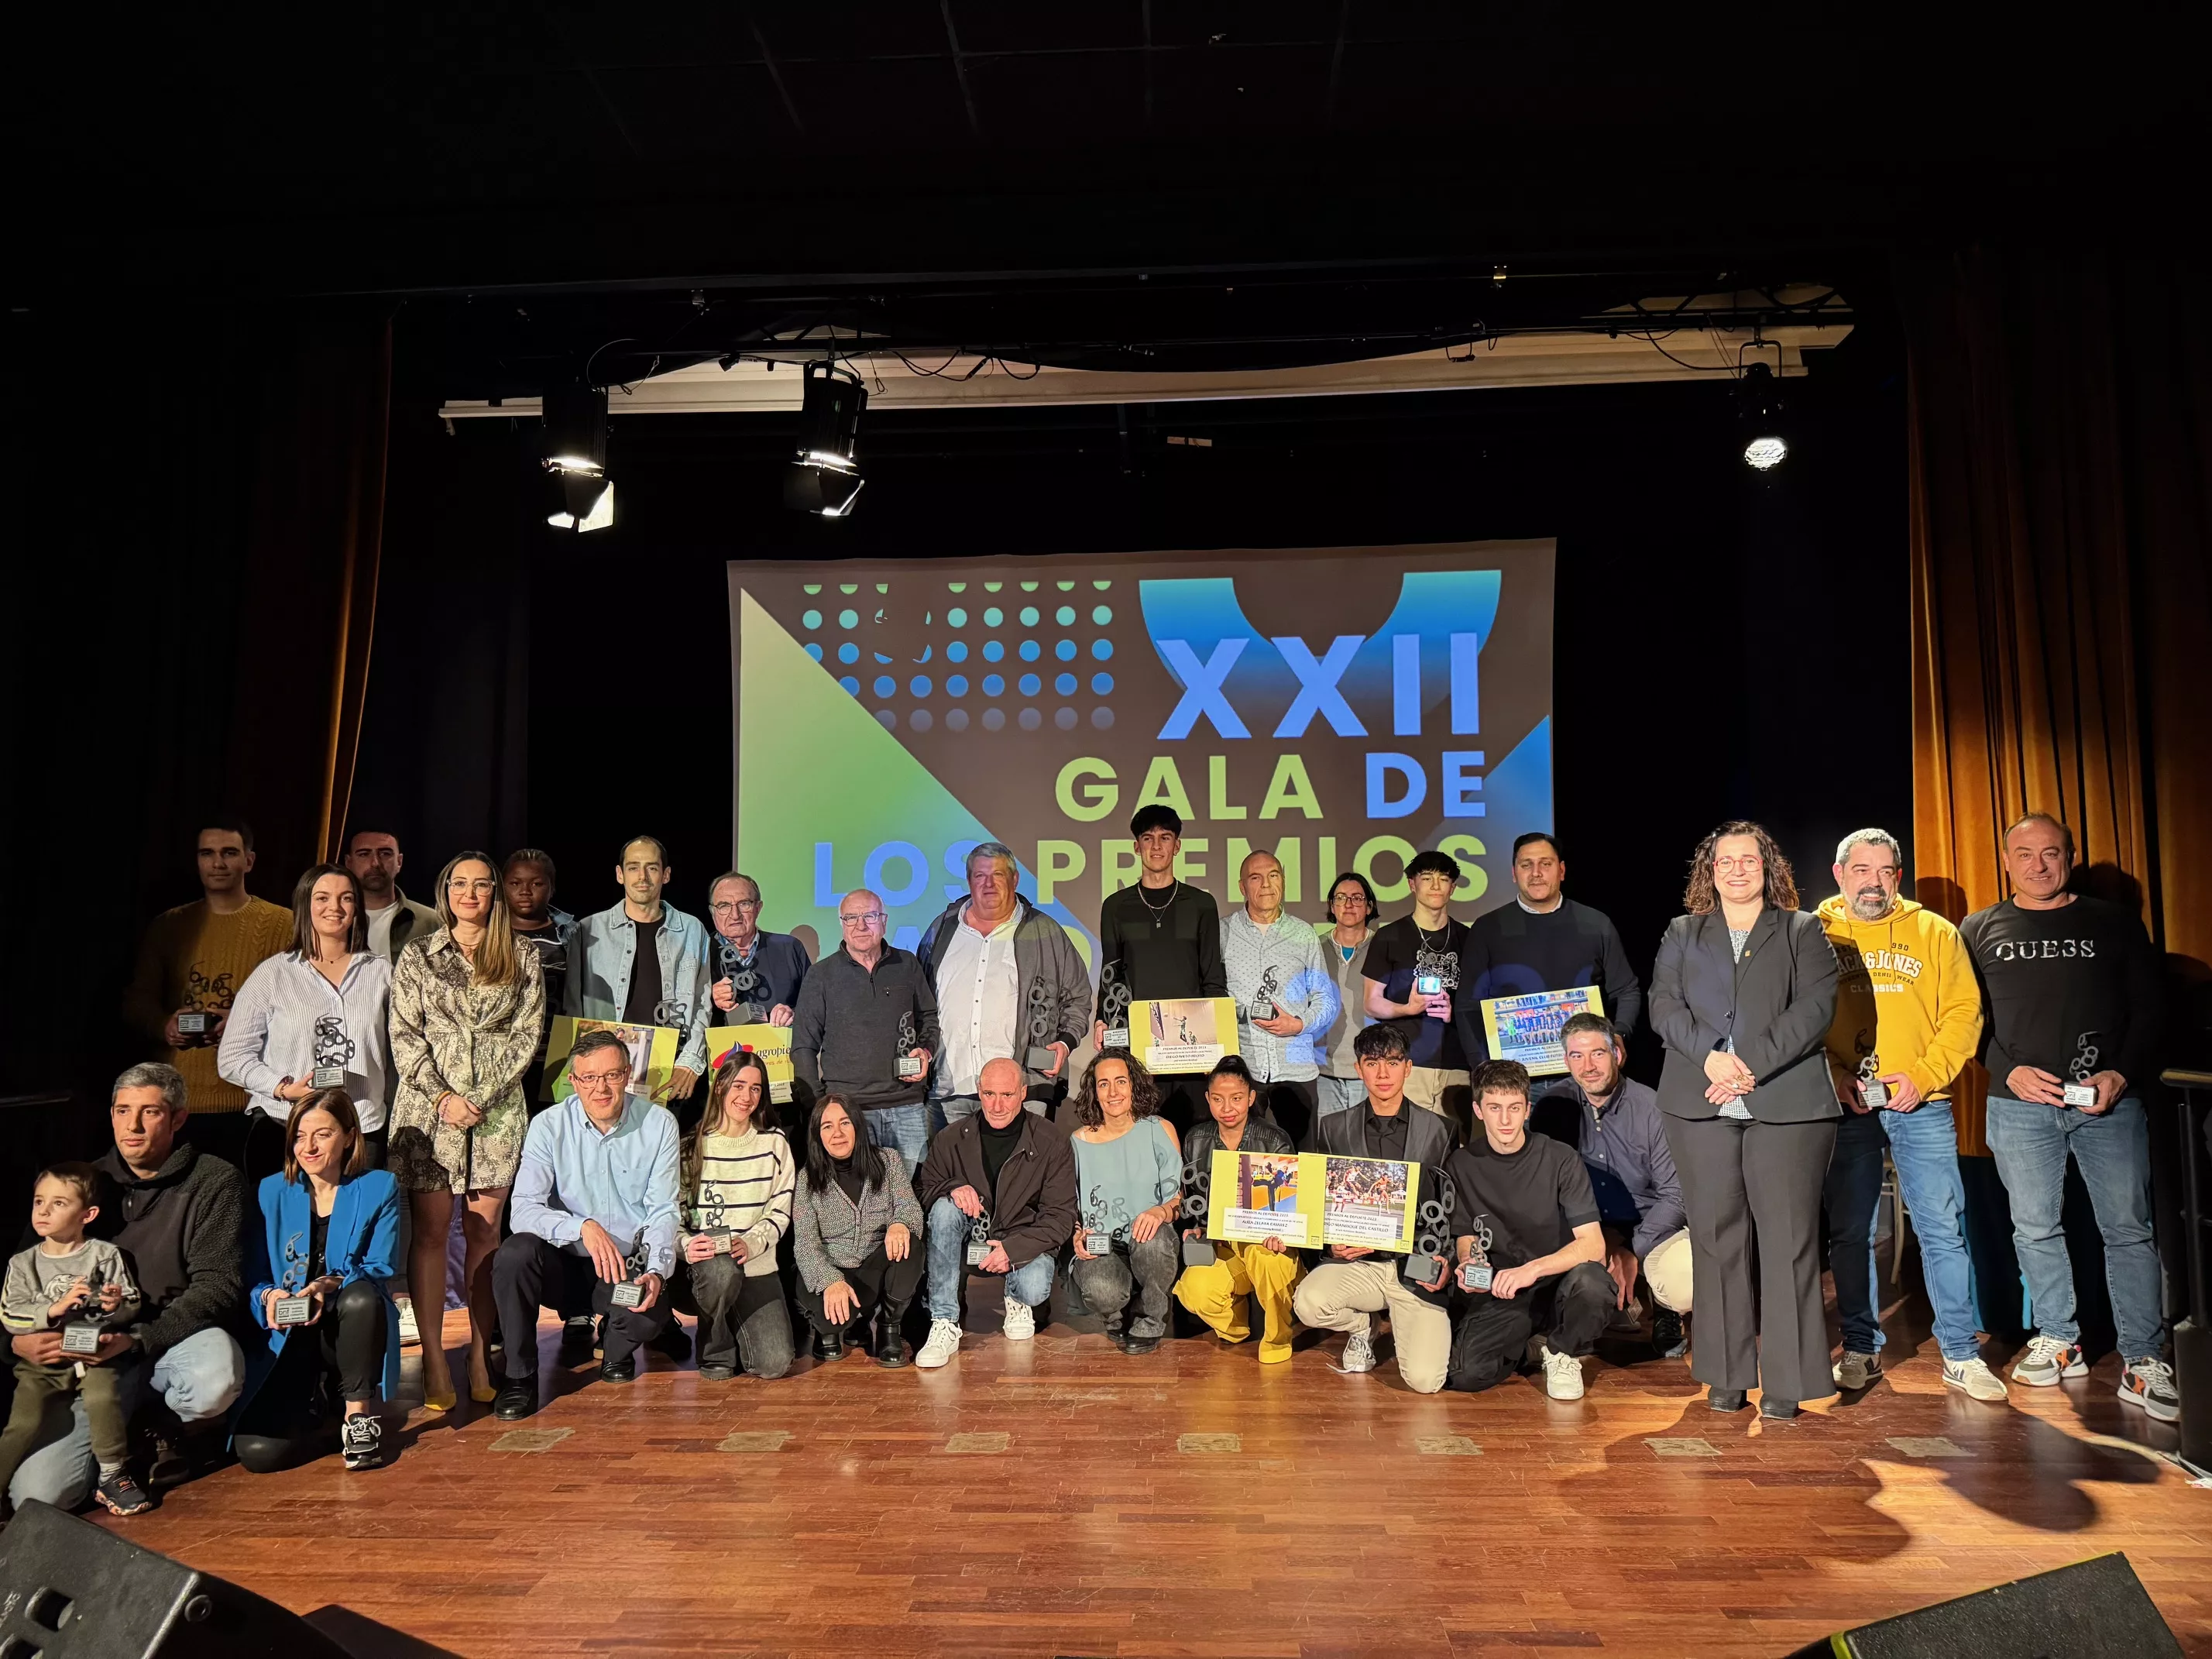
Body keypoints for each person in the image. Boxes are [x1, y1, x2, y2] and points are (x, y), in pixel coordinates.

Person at [1963, 812, 2172, 1421]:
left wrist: (2121, 1073)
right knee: (2033, 1227)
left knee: (2129, 1229)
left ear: (2069, 856)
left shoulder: (2113, 923)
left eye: (2050, 853)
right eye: (2024, 854)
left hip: (2108, 1103)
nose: (2038, 865)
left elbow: (2151, 1008)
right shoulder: (1979, 928)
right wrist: (2005, 1070)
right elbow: (1965, 1018)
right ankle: (2059, 1339)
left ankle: (2143, 1357)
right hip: (2018, 1105)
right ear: (2007, 861)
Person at [1650, 821, 1839, 1420]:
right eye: (1724, 861)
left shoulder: (1803, 930)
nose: (1736, 870)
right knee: (1716, 1238)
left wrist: (1747, 1065)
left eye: (1747, 860)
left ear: (1768, 868)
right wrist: (1710, 1055)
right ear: (1710, 871)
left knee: (1787, 1244)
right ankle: (1726, 1375)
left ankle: (1787, 1381)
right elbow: (1663, 1004)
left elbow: (1816, 1008)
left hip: (1786, 1102)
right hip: (1699, 1099)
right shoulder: (1682, 932)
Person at [1815, 829, 2007, 1403]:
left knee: (1942, 1231)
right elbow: (1799, 1020)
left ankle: (1960, 1353)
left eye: (1885, 872)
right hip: (1849, 1105)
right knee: (1854, 1234)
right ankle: (1861, 1347)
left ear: (1898, 876)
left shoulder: (1935, 932)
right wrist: (1837, 1077)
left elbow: (1963, 1013)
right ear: (1839, 873)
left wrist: (1923, 1076)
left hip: (1921, 1105)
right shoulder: (1813, 932)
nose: (1873, 882)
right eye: (1862, 870)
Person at [6, 1065, 247, 1513]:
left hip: (167, 1341)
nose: (132, 1126)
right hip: (88, 1359)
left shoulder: (215, 1180)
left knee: (215, 1379)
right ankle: (121, 1446)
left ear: (177, 1119)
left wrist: (138, 1340)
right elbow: (20, 1275)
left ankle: (151, 1434)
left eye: (149, 1112)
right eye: (122, 1111)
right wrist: (16, 1340)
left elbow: (219, 1286)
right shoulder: (79, 1183)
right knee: (37, 1496)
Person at [386, 851, 547, 1411]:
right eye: (461, 884)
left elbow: (528, 1037)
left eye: (482, 885)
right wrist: (443, 1097)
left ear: (495, 895)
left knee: (485, 1236)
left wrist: (477, 1098)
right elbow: (405, 1035)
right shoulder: (418, 956)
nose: (471, 894)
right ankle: (434, 1358)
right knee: (431, 1236)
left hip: (496, 1113)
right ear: (444, 889)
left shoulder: (521, 954)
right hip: (429, 1115)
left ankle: (481, 1354)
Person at [492, 1031, 681, 1419]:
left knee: (644, 1314)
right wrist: (582, 1227)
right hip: (566, 1265)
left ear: (628, 1074)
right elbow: (523, 1210)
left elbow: (664, 1210)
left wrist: (657, 1273)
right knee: (514, 1254)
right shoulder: (548, 1126)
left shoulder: (659, 1123)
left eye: (611, 1075)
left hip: (623, 1271)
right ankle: (519, 1378)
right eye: (589, 1078)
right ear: (574, 1081)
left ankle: (619, 1339)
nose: (601, 1088)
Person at [235, 1091, 400, 1474]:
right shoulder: (270, 1189)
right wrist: (270, 1296)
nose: (307, 1147)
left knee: (361, 1297)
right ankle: (322, 1415)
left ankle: (358, 1418)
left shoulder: (379, 1187)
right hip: (290, 1333)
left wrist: (329, 1284)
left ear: (349, 1136)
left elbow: (379, 1266)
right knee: (257, 1455)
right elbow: (253, 1274)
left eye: (322, 1135)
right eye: (298, 1135)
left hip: (346, 1326)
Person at [1292, 1024, 1458, 1391]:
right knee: (1309, 1303)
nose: (1383, 1074)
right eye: (1373, 1063)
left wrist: (1447, 1257)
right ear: (1358, 1068)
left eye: (1393, 1063)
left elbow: (1451, 1206)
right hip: (1360, 1265)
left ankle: (1405, 1321)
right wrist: (1329, 1245)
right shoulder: (1332, 1128)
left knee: (1427, 1381)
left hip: (1414, 1266)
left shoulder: (1441, 1130)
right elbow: (1319, 1200)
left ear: (1408, 1068)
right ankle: (1363, 1328)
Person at [122, 819, 294, 1166]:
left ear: (249, 861)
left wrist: (245, 1021)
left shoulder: (284, 925)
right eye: (208, 854)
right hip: (176, 1101)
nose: (218, 863)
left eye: (229, 853)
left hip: (253, 1103)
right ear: (197, 861)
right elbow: (136, 1003)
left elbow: (305, 1008)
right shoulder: (168, 926)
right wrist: (165, 1024)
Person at [1441, 1060, 1611, 1399]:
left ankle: (1564, 1352)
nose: (1505, 1120)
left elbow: (1593, 1246)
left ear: (1527, 1109)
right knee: (1465, 1374)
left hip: (1557, 1282)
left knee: (1593, 1282)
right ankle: (1533, 1345)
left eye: (1514, 1108)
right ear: (1478, 1110)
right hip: (1504, 1290)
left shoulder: (1560, 1158)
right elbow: (1467, 1233)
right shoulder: (1461, 1163)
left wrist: (1531, 1270)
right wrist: (1470, 1263)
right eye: (1495, 1108)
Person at [217, 864, 393, 1183]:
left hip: (362, 1127)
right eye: (322, 898)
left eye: (346, 898)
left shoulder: (382, 972)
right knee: (287, 1231)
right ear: (304, 905)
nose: (335, 908)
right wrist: (283, 1088)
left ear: (357, 907)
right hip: (284, 1127)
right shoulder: (273, 974)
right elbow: (232, 1056)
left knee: (353, 1229)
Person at [1, 1165, 147, 1515]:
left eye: (59, 1203)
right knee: (25, 1420)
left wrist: (115, 1305)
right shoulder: (23, 1263)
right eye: (39, 1201)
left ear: (88, 1214)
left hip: (93, 1354)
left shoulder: (105, 1255)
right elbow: (10, 1314)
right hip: (44, 1364)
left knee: (102, 1397)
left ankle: (113, 1475)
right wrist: (53, 1310)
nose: (44, 1211)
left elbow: (130, 1304)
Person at [913, 1056, 1077, 1369]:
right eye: (989, 1094)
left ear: (1023, 1093)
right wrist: (953, 1186)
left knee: (1034, 1288)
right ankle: (944, 1322)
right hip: (972, 1242)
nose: (997, 1105)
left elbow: (1061, 1216)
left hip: (1023, 1244)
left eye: (1007, 1095)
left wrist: (1012, 1250)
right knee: (944, 1210)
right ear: (979, 1091)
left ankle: (1016, 1298)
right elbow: (923, 1190)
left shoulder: (1051, 1140)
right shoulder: (950, 1138)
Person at [915, 843, 1088, 1125]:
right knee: (950, 1171)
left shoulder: (1045, 932)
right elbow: (918, 998)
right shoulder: (941, 929)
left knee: (1022, 1171)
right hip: (949, 1089)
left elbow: (1077, 996)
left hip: (1021, 1090)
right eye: (980, 876)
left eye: (998, 875)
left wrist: (1065, 1043)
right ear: (969, 881)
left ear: (1015, 879)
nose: (989, 884)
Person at [1557, 1013, 1692, 1359]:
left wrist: (1631, 1248)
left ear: (1617, 1053)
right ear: (1565, 1059)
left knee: (1683, 1275)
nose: (1588, 1066)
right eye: (1577, 1056)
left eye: (1598, 1054)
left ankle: (1665, 1305)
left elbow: (1675, 1196)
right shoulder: (1554, 1107)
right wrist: (1601, 1240)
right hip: (1588, 1227)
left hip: (1653, 1227)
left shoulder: (1653, 1108)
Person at [1091, 805, 1228, 1133]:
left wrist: (1218, 1045)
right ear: (1136, 846)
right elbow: (1112, 972)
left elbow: (1212, 976)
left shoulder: (1201, 904)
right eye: (1148, 838)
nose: (1156, 846)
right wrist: (1101, 1017)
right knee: (1141, 1133)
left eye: (1165, 838)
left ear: (1177, 846)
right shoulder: (1116, 906)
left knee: (1193, 1132)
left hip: (1192, 1047)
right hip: (1140, 1045)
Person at [1456, 833, 1645, 1068]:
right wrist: (1482, 1065)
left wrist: (1618, 1035)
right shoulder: (1487, 928)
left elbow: (1627, 990)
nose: (1536, 873)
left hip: (1585, 1073)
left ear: (1562, 871)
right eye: (1527, 865)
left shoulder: (1596, 924)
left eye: (1546, 864)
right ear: (1514, 873)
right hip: (1514, 1078)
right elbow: (1468, 1005)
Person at [791, 888, 941, 1170]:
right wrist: (817, 1107)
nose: (861, 925)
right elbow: (803, 1046)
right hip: (850, 1111)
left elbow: (928, 1018)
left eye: (870, 916)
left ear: (884, 921)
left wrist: (926, 1050)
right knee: (860, 1203)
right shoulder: (821, 974)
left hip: (907, 1106)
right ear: (842, 924)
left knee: (909, 1199)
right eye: (851, 918)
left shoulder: (907, 963)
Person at [565, 835, 712, 1109]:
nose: (642, 876)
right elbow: (573, 1008)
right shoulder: (587, 931)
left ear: (666, 875)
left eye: (652, 868)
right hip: (603, 1077)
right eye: (633, 867)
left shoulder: (692, 930)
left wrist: (690, 1063)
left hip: (669, 1072)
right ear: (620, 874)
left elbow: (703, 1003)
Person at [677, 1049, 795, 1382]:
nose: (746, 1097)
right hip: (709, 1266)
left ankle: (734, 1324)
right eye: (739, 1086)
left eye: (756, 1089)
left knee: (774, 1364)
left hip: (755, 1262)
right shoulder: (692, 1146)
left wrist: (753, 1242)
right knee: (721, 1273)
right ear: (720, 1087)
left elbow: (780, 1209)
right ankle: (714, 1346)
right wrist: (686, 1244)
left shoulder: (774, 1144)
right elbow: (672, 1213)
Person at [1175, 1056, 1302, 1362]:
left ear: (1251, 1098)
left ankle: (1277, 1338)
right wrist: (1196, 1227)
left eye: (1236, 1098)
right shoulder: (1196, 1138)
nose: (1227, 1108)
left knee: (1268, 1260)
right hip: (1225, 1248)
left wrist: (1281, 1234)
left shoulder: (1274, 1139)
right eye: (1218, 1099)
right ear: (1208, 1099)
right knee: (1195, 1289)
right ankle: (1236, 1327)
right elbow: (1193, 1200)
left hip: (1267, 1245)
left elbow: (1293, 1204)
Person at [792, 1093, 924, 1365]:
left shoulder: (888, 1161)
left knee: (910, 1242)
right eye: (827, 1126)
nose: (837, 1133)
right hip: (832, 1271)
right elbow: (805, 1244)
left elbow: (910, 1209)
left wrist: (900, 1224)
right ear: (817, 1134)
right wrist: (830, 1280)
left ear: (858, 1127)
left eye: (845, 1123)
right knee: (830, 1320)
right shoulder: (807, 1178)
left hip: (873, 1270)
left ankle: (889, 1329)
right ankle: (832, 1329)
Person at [1220, 849, 1339, 1149]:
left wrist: (1298, 1024)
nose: (1266, 885)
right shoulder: (1223, 933)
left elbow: (1325, 998)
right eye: (1256, 878)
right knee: (1242, 1167)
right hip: (1243, 1068)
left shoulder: (1304, 934)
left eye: (1274, 876)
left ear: (1283, 881)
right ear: (1242, 887)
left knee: (1304, 1161)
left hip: (1296, 1066)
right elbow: (1209, 996)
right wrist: (1242, 1013)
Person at [1066, 1053, 1183, 1355]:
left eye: (1121, 1081)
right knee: (1102, 1290)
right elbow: (1071, 1204)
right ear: (1094, 1091)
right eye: (1104, 1084)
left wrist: (1160, 1211)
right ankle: (1115, 1319)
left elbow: (1177, 1199)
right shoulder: (1078, 1142)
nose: (1113, 1092)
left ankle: (1151, 1318)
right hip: (1102, 1243)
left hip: (1149, 1237)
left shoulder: (1160, 1129)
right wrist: (1077, 1234)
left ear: (1134, 1085)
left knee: (1153, 1243)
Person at [1362, 848, 1472, 1118]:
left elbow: (1480, 1002)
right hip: (1407, 1063)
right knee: (1411, 1148)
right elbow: (1371, 1002)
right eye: (1427, 878)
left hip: (1457, 1063)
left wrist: (1454, 1011)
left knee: (1455, 1148)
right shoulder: (1389, 936)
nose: (1435, 886)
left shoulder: (1470, 938)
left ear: (1453, 888)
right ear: (1412, 885)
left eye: (1444, 879)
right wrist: (1407, 1009)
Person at [706, 872, 812, 1031]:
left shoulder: (790, 948)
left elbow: (815, 1007)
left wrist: (794, 1014)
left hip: (778, 1051)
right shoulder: (698, 953)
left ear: (758, 908)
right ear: (713, 912)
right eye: (724, 906)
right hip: (721, 1053)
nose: (735, 915)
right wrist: (706, 996)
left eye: (744, 904)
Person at [1315, 871, 1379, 1128]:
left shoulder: (1383, 948)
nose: (1349, 904)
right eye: (1341, 898)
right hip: (1324, 1073)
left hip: (1372, 1073)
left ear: (1369, 906)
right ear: (1332, 906)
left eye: (1357, 898)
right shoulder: (1314, 948)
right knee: (1327, 1155)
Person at [503, 847, 575, 1067]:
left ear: (551, 888)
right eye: (515, 883)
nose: (525, 891)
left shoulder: (572, 935)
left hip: (557, 1053)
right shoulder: (489, 934)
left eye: (536, 884)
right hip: (502, 1055)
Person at [343, 830, 439, 962]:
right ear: (349, 863)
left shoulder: (431, 922)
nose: (375, 863)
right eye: (364, 854)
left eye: (385, 854)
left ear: (399, 862)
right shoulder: (332, 919)